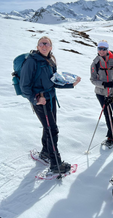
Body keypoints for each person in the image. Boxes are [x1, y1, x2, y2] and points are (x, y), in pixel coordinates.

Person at [20, 36, 81, 173]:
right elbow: (24, 86)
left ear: (51, 47)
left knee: (48, 127)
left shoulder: (50, 61)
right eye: (41, 43)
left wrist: (71, 84)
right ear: (37, 46)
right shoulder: (31, 61)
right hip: (40, 100)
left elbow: (54, 82)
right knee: (52, 130)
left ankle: (46, 152)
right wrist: (36, 100)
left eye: (47, 44)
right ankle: (55, 164)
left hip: (51, 98)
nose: (44, 46)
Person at [90, 40, 113, 148]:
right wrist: (103, 84)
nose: (102, 51)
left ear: (107, 49)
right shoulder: (95, 63)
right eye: (100, 49)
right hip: (101, 93)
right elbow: (93, 79)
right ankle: (112, 135)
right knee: (107, 114)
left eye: (104, 49)